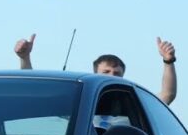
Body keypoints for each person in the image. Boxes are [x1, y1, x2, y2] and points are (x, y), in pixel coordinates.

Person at [13, 34, 178, 105]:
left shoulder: (131, 102)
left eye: (117, 73)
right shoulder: (78, 101)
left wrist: (168, 61)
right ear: (95, 74)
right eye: (106, 72)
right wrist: (24, 58)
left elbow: (167, 95)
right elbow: (34, 93)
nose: (112, 76)